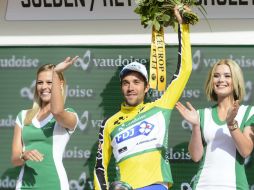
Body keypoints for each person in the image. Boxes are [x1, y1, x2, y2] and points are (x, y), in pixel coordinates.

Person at [93, 7, 193, 190]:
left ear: (147, 87)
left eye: (136, 82)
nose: (130, 87)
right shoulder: (109, 123)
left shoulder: (160, 107)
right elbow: (100, 167)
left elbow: (184, 70)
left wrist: (183, 27)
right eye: (126, 83)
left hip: (154, 186)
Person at [176, 59, 254, 190]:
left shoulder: (248, 112)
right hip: (202, 186)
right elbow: (196, 156)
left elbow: (245, 151)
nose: (221, 80)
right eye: (216, 76)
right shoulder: (202, 114)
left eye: (227, 76)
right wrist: (195, 126)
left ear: (236, 81)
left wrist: (231, 123)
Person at [11, 56, 79, 190]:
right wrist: (24, 155)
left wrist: (55, 73)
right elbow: (15, 159)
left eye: (50, 82)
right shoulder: (23, 116)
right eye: (40, 82)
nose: (44, 87)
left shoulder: (69, 114)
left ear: (60, 85)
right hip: (24, 186)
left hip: (55, 184)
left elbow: (57, 111)